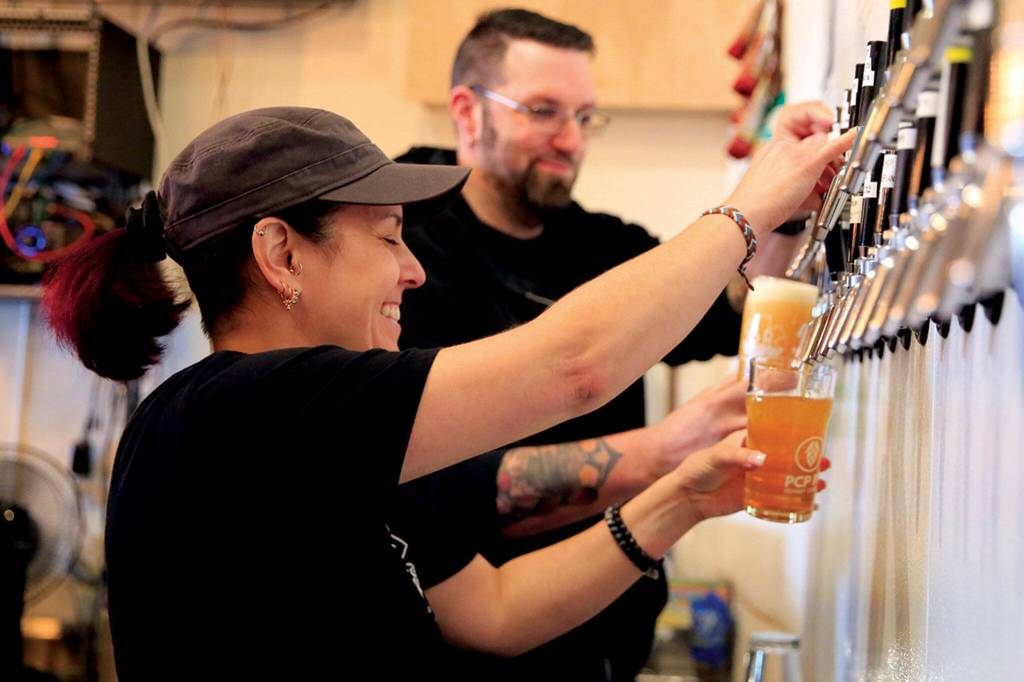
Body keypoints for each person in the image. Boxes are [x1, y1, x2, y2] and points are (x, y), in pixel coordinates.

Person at [43, 106, 848, 678]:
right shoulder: (236, 413)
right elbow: (576, 366)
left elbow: (496, 610)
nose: (413, 270)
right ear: (282, 254)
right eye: (389, 236)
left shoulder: (331, 441)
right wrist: (752, 207)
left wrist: (683, 501)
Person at [393, 9, 837, 679]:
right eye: (544, 111)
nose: (571, 140)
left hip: (609, 649)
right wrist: (664, 451)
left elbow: (731, 306)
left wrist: (789, 207)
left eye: (585, 117)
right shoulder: (405, 257)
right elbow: (441, 490)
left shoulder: (601, 245)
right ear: (467, 111)